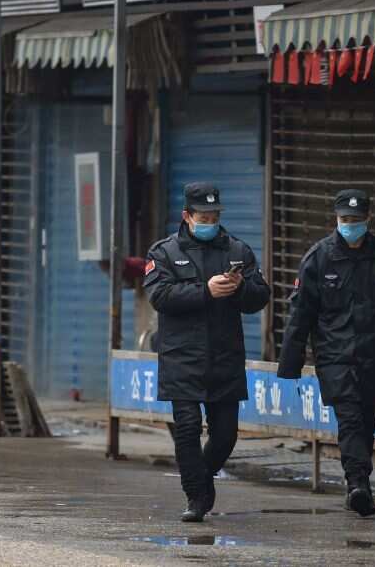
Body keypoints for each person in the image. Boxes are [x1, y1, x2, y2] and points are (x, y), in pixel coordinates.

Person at [277, 189, 375, 517]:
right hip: (335, 357)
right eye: (345, 220)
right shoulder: (319, 258)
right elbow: (301, 313)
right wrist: (290, 361)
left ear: (368, 219)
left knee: (366, 423)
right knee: (349, 419)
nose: (351, 225)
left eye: (357, 220)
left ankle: (360, 482)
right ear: (336, 219)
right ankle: (358, 485)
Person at [143, 182, 270, 522]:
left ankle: (202, 478)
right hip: (182, 357)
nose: (210, 221)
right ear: (187, 216)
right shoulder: (163, 253)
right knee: (186, 428)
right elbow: (159, 296)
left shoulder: (237, 251)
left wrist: (241, 287)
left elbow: (260, 296)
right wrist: (206, 291)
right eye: (204, 216)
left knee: (226, 434)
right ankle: (196, 497)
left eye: (215, 215)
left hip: (225, 357)